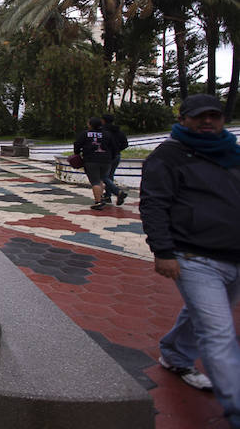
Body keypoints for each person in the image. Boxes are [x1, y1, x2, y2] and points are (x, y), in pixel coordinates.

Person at [139, 93, 240, 428]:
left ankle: (174, 353)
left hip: (233, 254)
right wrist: (163, 251)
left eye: (214, 115)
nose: (208, 122)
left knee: (203, 314)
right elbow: (153, 204)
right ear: (183, 119)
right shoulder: (168, 157)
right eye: (200, 117)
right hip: (194, 256)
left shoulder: (232, 154)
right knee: (218, 332)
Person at [73, 117, 117, 210]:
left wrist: (77, 153)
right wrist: (111, 157)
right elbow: (114, 147)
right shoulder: (107, 134)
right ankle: (101, 197)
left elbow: (77, 145)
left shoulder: (85, 134)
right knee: (101, 179)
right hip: (106, 160)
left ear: (90, 125)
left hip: (91, 160)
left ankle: (98, 202)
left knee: (95, 181)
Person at [101, 113, 129, 205]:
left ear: (103, 121)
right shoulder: (119, 131)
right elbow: (125, 144)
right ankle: (108, 196)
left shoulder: (103, 132)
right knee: (110, 176)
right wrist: (117, 150)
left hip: (106, 156)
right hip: (117, 155)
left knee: (103, 176)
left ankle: (117, 192)